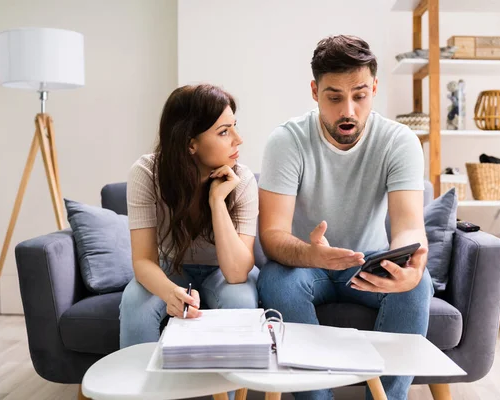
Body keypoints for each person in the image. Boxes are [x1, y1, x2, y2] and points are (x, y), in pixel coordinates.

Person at [256, 35, 433, 400]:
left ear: (375, 88)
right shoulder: (286, 141)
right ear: (314, 91)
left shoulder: (399, 141)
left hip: (367, 262)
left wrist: (411, 262)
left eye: (360, 95)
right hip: (306, 263)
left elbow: (409, 226)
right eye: (334, 97)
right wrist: (311, 254)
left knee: (417, 285)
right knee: (276, 282)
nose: (348, 110)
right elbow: (272, 234)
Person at [120, 84, 260, 349]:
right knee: (134, 302)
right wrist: (171, 293)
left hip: (222, 271)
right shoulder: (147, 174)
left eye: (234, 127)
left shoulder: (242, 181)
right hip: (169, 267)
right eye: (224, 132)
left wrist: (217, 201)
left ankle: (225, 391)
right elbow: (143, 261)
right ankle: (141, 389)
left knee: (240, 300)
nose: (238, 139)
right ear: (190, 143)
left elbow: (237, 272)